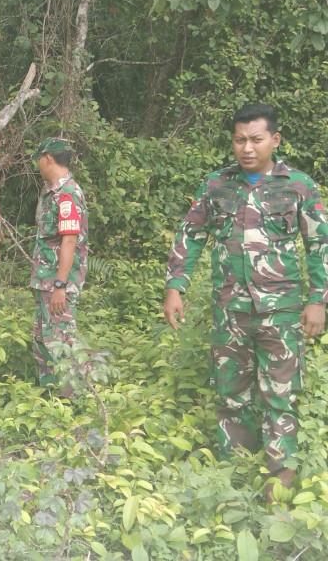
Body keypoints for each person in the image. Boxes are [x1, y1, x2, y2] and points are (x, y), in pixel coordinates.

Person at [163, 103, 328, 501]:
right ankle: (235, 474)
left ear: (275, 139)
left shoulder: (298, 185)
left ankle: (280, 480)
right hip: (229, 311)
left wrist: (318, 300)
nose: (247, 148)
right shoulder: (216, 184)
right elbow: (190, 234)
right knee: (231, 393)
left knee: (280, 395)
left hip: (281, 311)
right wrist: (175, 287)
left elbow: (319, 244)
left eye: (256, 139)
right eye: (240, 139)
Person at [30, 137, 88, 394]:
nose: (38, 166)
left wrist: (60, 286)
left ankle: (74, 410)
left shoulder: (67, 195)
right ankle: (50, 402)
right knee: (44, 342)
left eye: (39, 161)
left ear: (48, 159)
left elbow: (69, 241)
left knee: (62, 346)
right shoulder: (53, 193)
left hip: (57, 286)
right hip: (46, 285)